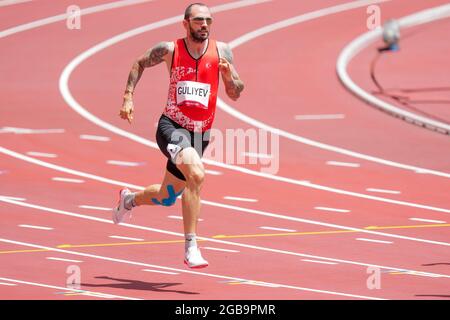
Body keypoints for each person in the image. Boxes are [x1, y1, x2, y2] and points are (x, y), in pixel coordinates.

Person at [113, 3, 244, 269]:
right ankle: (191, 247)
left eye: (208, 20)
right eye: (198, 20)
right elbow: (139, 62)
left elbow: (236, 92)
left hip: (201, 135)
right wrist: (128, 97)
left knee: (166, 196)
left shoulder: (223, 51)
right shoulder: (170, 50)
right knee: (196, 174)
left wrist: (230, 77)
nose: (204, 25)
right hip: (171, 127)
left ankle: (129, 200)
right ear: (185, 23)